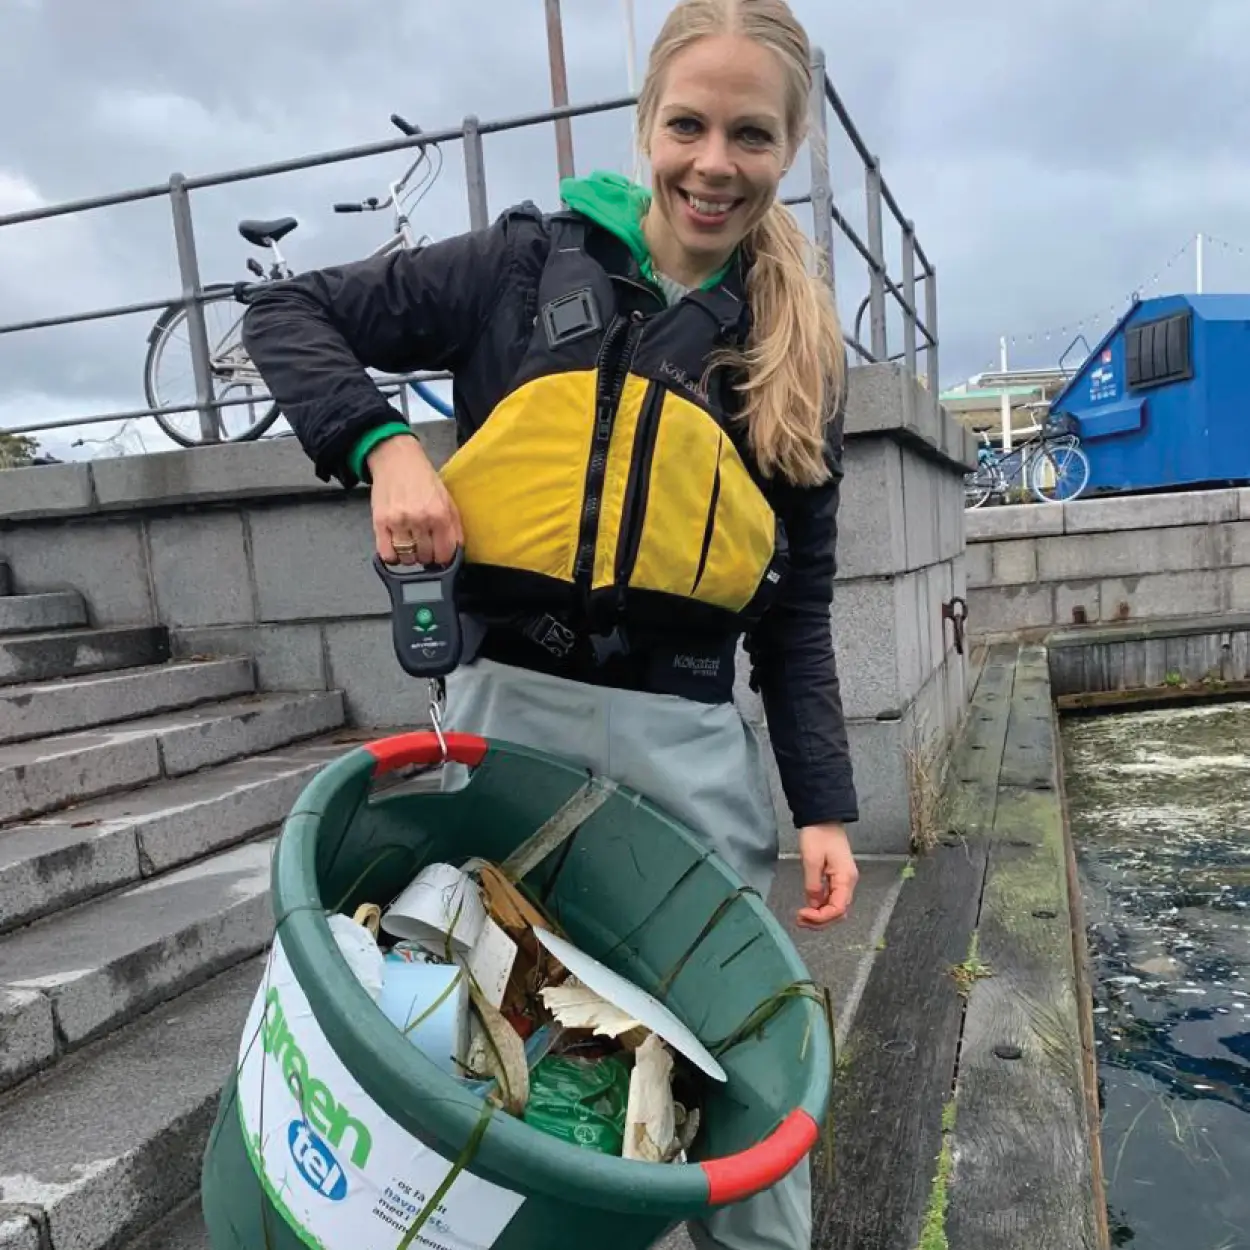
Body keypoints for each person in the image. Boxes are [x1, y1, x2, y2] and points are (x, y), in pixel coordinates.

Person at [243, 0, 858, 1244]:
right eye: (686, 125)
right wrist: (384, 449)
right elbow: (286, 311)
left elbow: (793, 623)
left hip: (686, 754)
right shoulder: (518, 264)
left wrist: (824, 806)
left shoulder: (795, 351)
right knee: (479, 1040)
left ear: (785, 149)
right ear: (647, 124)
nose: (711, 164)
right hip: (500, 727)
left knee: (740, 1060)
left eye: (749, 135)